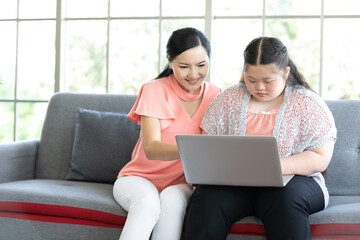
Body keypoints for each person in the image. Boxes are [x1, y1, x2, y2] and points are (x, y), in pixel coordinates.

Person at [183, 37, 337, 240]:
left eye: (268, 81)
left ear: (286, 73)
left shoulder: (308, 103)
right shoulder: (229, 99)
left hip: (294, 183)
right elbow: (207, 145)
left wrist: (273, 167)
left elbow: (320, 157)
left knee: (285, 201)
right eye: (252, 80)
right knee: (206, 200)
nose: (259, 88)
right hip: (235, 184)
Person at [112, 27, 221, 240]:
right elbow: (152, 148)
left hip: (182, 183)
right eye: (183, 66)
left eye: (201, 65)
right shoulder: (154, 90)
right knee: (147, 203)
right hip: (138, 178)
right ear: (170, 62)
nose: (194, 74)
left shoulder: (215, 94)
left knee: (171, 201)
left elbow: (212, 151)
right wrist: (197, 151)